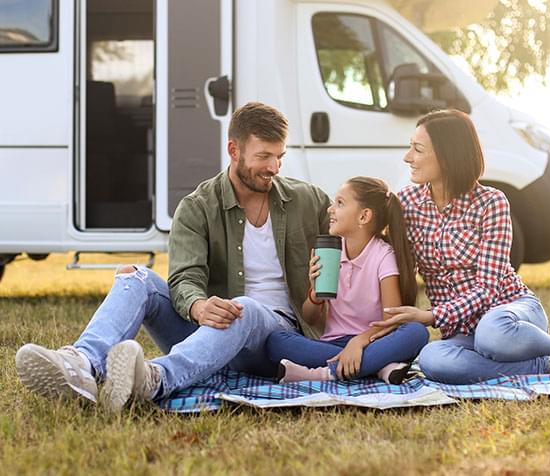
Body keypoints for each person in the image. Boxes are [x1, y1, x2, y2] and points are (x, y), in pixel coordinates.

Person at [15, 102, 331, 411]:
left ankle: (155, 379)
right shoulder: (197, 206)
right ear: (234, 150)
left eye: (279, 157)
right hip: (208, 332)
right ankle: (81, 364)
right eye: (264, 156)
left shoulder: (309, 200)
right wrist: (199, 305)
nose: (274, 168)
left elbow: (358, 245)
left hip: (273, 341)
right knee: (135, 276)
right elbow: (184, 278)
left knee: (244, 308)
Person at [369, 109, 550, 384]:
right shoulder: (406, 204)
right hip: (462, 332)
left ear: (447, 154)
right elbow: (376, 249)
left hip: (509, 313)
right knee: (432, 359)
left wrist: (430, 315)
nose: (408, 157)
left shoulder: (491, 203)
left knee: (493, 336)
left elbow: (488, 290)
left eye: (417, 149)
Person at [266, 177, 429, 384]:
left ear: (364, 216)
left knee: (416, 332)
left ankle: (325, 373)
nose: (330, 209)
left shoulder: (383, 255)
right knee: (276, 341)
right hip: (333, 343)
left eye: (340, 203)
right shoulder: (329, 251)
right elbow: (311, 318)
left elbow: (393, 319)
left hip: (374, 339)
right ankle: (376, 366)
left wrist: (359, 342)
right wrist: (315, 295)